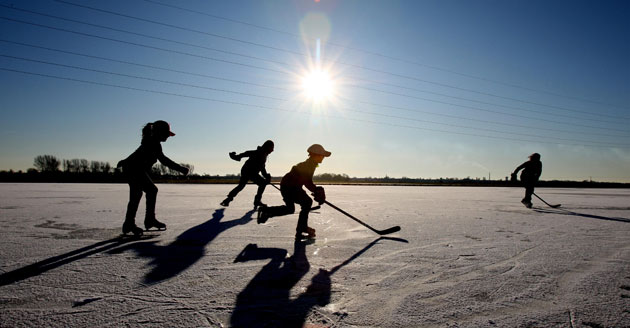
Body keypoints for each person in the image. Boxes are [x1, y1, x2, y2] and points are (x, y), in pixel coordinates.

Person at [117, 120, 189, 236]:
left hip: (134, 168)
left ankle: (141, 221)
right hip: (134, 169)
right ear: (160, 132)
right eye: (166, 134)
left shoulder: (151, 141)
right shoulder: (152, 142)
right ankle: (137, 222)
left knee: (148, 191)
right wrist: (180, 169)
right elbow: (163, 160)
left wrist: (125, 161)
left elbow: (137, 153)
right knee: (143, 192)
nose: (168, 137)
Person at [257, 144, 330, 240]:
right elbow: (307, 181)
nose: (323, 157)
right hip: (290, 187)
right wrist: (317, 190)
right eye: (322, 155)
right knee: (307, 202)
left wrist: (316, 191)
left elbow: (306, 181)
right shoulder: (309, 165)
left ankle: (266, 211)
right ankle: (301, 228)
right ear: (316, 155)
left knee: (290, 209)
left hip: (289, 186)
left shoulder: (311, 164)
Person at [220, 140, 274, 208]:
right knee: (262, 184)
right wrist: (238, 156)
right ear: (268, 147)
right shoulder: (260, 152)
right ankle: (257, 201)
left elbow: (262, 167)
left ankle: (228, 199)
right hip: (249, 171)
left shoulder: (264, 154)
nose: (272, 150)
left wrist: (266, 176)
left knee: (241, 186)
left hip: (247, 171)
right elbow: (249, 153)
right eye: (272, 148)